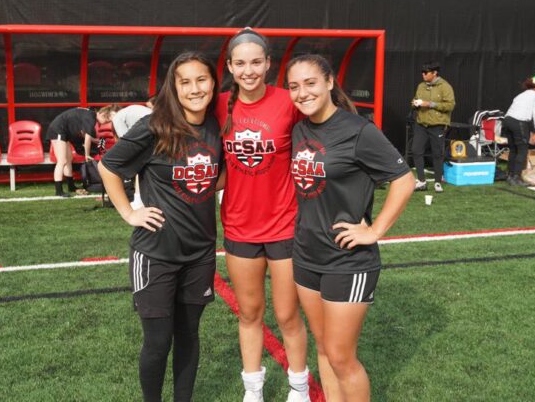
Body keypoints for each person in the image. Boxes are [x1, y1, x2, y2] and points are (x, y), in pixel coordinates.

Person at [286, 54, 415, 402]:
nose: (302, 93)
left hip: (348, 261)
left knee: (342, 356)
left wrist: (374, 232)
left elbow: (404, 180)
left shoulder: (359, 131)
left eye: (310, 83)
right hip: (306, 255)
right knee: (325, 349)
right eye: (294, 87)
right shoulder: (299, 129)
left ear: (329, 82)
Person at [98, 52, 222, 402]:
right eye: (185, 82)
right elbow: (109, 166)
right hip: (155, 254)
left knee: (189, 336)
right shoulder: (155, 126)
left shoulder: (215, 126)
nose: (195, 88)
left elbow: (219, 173)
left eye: (201, 80)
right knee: (158, 341)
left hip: (200, 254)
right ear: (174, 87)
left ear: (213, 83)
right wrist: (129, 212)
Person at [216, 28, 310, 402]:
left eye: (256, 62)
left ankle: (298, 388)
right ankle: (252, 390)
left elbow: (331, 134)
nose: (249, 70)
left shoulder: (289, 101)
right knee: (250, 314)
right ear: (230, 66)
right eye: (240, 63)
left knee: (288, 316)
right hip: (239, 226)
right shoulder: (217, 102)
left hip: (286, 224)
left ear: (269, 63)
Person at [46, 104, 118, 197]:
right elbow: (87, 138)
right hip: (58, 130)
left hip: (64, 131)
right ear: (102, 114)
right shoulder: (91, 118)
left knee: (69, 159)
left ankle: (71, 186)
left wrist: (95, 140)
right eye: (106, 121)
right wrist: (87, 154)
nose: (104, 124)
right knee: (62, 161)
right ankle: (58, 191)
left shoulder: (89, 115)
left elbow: (83, 133)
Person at [410, 63, 455, 193]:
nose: (423, 74)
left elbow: (450, 106)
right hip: (421, 124)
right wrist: (415, 103)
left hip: (437, 125)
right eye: (422, 72)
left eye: (426, 72)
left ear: (434, 73)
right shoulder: (421, 86)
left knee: (437, 153)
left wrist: (430, 104)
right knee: (416, 150)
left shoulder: (445, 87)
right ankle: (422, 181)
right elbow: (415, 99)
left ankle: (437, 182)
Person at [502, 79, 535, 186]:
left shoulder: (520, 95)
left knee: (513, 149)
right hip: (518, 122)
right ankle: (516, 177)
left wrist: (533, 130)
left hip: (507, 121)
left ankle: (510, 175)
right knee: (522, 150)